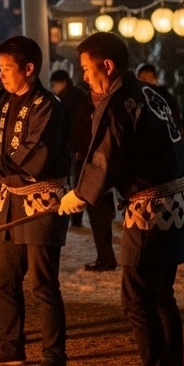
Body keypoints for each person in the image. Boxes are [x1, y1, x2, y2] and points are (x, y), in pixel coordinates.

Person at [63, 31, 184, 366]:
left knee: (137, 299)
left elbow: (106, 157)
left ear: (107, 65)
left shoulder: (121, 101)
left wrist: (80, 195)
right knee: (161, 296)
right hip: (177, 200)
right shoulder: (151, 92)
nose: (84, 78)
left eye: (87, 69)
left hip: (151, 208)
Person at [0, 35, 71, 366]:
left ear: (29, 69)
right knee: (3, 277)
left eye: (7, 69)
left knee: (43, 283)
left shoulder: (47, 106)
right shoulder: (4, 102)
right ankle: (12, 346)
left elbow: (34, 156)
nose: (1, 75)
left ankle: (55, 356)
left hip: (41, 200)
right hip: (10, 200)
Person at [51, 68, 117, 270]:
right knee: (98, 213)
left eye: (88, 71)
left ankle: (106, 258)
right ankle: (104, 256)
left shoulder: (108, 105)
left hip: (96, 164)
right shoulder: (87, 102)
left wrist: (80, 150)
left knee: (100, 213)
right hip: (85, 162)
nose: (86, 78)